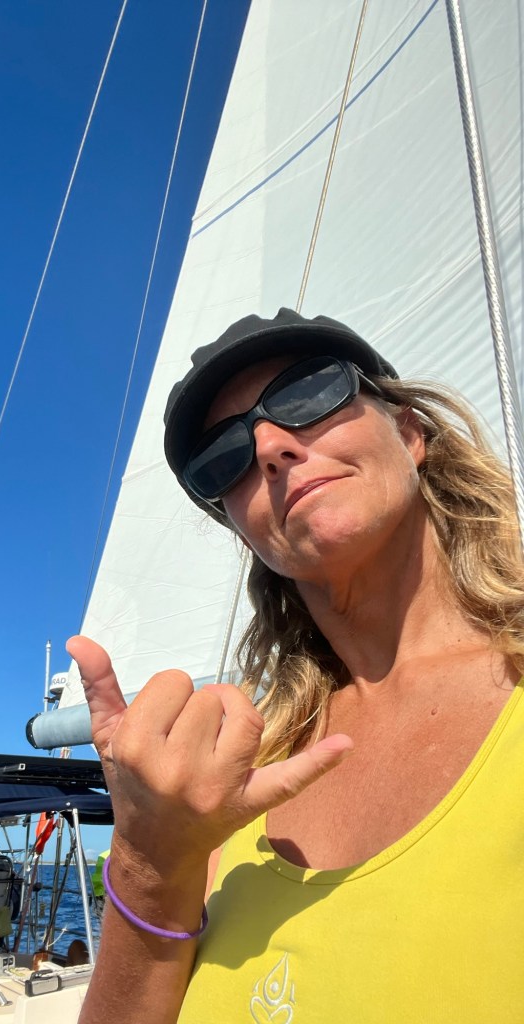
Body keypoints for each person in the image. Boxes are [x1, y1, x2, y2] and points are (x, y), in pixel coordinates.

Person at [67, 308, 524, 1023]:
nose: (270, 447)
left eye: (309, 392)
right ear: (245, 531)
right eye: (224, 457)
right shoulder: (234, 778)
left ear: (410, 433)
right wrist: (147, 859)